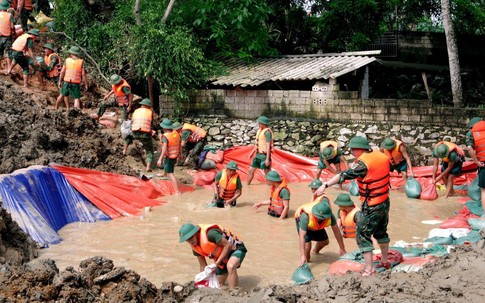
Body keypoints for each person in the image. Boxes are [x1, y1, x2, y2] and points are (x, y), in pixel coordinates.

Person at [315, 136, 391, 276]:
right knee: (381, 231)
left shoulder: (363, 164)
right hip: (384, 200)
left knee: (363, 234)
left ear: (359, 149)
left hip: (372, 204)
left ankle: (369, 269)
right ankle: (385, 261)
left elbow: (343, 175)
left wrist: (324, 185)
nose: (352, 152)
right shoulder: (380, 155)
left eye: (353, 150)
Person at [178, 223, 247, 289]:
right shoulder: (195, 247)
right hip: (221, 257)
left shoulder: (210, 234)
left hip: (235, 248)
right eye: (187, 240)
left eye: (191, 237)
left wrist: (216, 263)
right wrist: (203, 278)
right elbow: (202, 265)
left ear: (196, 232)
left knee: (231, 266)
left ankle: (234, 293)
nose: (190, 241)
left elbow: (227, 245)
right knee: (218, 285)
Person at [295, 198, 346, 266]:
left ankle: (315, 251)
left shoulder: (330, 216)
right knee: (307, 247)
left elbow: (336, 232)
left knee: (325, 242)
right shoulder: (305, 216)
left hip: (317, 226)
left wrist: (342, 248)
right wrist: (302, 255)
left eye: (321, 218)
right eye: (318, 217)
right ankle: (305, 263)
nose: (319, 218)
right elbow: (302, 236)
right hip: (306, 225)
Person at [123, 98, 156, 172]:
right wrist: (151, 131)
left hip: (135, 131)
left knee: (128, 137)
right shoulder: (150, 112)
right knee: (149, 150)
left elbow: (133, 121)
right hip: (145, 133)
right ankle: (148, 167)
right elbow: (150, 124)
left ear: (142, 105)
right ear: (148, 106)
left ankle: (124, 150)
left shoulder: (136, 111)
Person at [156, 118, 181, 195]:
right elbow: (179, 144)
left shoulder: (165, 137)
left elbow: (164, 149)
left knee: (171, 173)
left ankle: (177, 191)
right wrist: (181, 154)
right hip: (175, 154)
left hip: (169, 156)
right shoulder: (176, 133)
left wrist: (159, 159)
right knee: (166, 163)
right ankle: (164, 173)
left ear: (164, 128)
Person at [466, 117, 485, 214]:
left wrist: (476, 162)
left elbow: (469, 148)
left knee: (484, 190)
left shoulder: (472, 133)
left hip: (483, 163)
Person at [247, 116, 273, 185]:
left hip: (264, 155)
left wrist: (267, 159)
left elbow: (268, 146)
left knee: (267, 172)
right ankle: (247, 185)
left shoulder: (267, 132)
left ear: (263, 123)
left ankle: (269, 187)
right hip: (258, 155)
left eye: (259, 123)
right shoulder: (260, 130)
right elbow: (257, 144)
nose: (258, 124)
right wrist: (252, 153)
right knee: (250, 170)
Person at [0, 1, 15, 74]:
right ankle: (9, 68)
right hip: (7, 36)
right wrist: (14, 33)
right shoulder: (10, 15)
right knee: (8, 53)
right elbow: (12, 27)